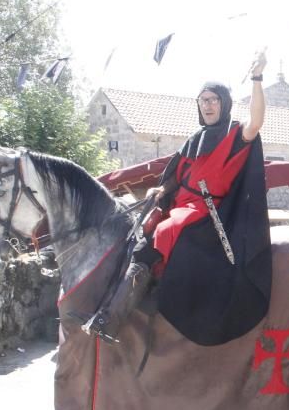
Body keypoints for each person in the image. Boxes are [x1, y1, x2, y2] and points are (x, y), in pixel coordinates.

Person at [85, 52, 271, 345]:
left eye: (213, 100)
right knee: (141, 227)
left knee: (165, 230)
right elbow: (179, 174)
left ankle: (114, 318)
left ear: (224, 104)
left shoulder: (235, 134)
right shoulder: (195, 138)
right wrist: (161, 190)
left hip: (207, 209)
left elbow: (256, 121)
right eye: (203, 100)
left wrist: (258, 77)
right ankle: (117, 302)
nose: (208, 105)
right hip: (180, 203)